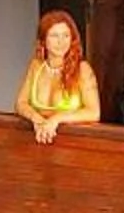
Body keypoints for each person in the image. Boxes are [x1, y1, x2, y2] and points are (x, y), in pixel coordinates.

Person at [18, 10, 99, 144]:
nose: (61, 42)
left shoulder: (82, 69)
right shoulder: (36, 66)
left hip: (72, 143)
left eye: (66, 35)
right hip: (38, 140)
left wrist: (56, 119)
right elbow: (20, 103)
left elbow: (93, 112)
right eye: (54, 36)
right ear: (43, 40)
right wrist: (36, 119)